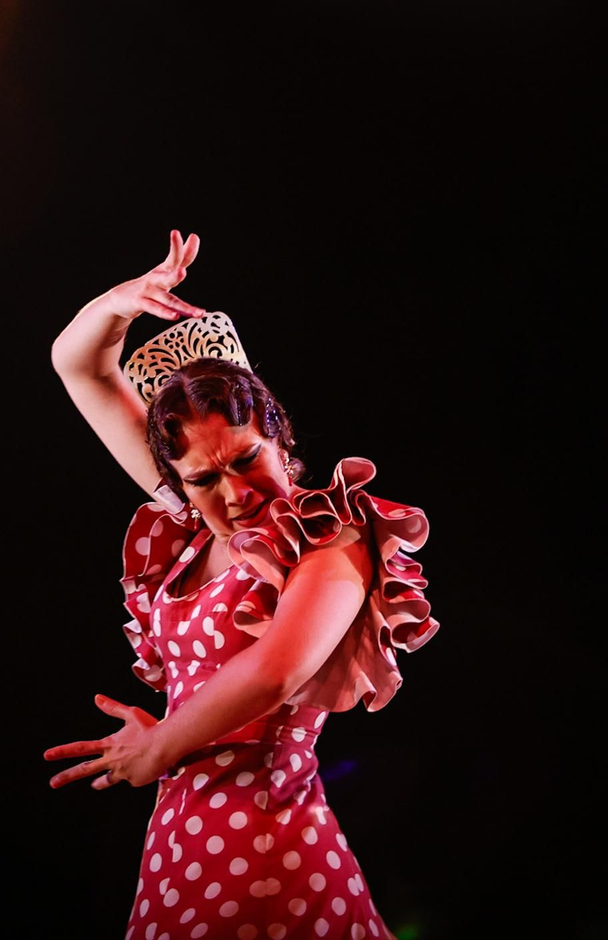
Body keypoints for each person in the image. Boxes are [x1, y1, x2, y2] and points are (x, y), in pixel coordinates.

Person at [45, 231, 437, 940]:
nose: (234, 491)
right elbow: (78, 366)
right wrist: (122, 303)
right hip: (176, 850)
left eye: (248, 459)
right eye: (202, 479)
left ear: (279, 438)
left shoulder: (331, 536)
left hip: (269, 852)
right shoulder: (196, 527)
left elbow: (277, 668)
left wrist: (157, 745)